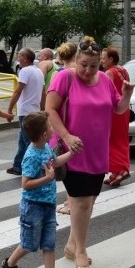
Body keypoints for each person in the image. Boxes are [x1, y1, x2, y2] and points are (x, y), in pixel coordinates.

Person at [46, 38, 133, 268]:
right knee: (81, 202)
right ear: (75, 61)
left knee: (88, 202)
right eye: (84, 64)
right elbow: (50, 108)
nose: (88, 70)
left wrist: (126, 95)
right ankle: (81, 250)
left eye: (94, 65)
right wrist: (67, 135)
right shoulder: (65, 77)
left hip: (97, 149)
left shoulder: (105, 79)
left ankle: (72, 245)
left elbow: (118, 108)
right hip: (71, 150)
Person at [1, 111, 76, 268]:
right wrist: (47, 178)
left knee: (49, 244)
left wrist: (71, 153)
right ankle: (9, 264)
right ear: (44, 134)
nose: (52, 129)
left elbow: (55, 161)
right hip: (33, 206)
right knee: (29, 244)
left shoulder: (46, 148)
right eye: (50, 126)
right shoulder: (31, 155)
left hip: (48, 204)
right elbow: (25, 184)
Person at [6, 48, 45, 176]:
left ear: (26, 58)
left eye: (20, 55)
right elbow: (43, 93)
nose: (18, 57)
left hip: (25, 111)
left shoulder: (24, 71)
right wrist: (43, 109)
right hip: (34, 109)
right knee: (23, 140)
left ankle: (37, 167)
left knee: (29, 141)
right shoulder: (38, 71)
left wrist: (10, 108)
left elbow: (18, 91)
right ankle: (18, 166)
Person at [53, 41, 79, 216]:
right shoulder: (81, 72)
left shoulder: (61, 74)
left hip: (62, 123)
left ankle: (71, 202)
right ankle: (73, 199)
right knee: (74, 163)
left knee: (64, 163)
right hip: (77, 121)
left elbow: (52, 103)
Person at [101, 46, 132, 186]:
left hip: (114, 110)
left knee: (112, 140)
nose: (101, 60)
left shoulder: (109, 73)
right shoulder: (123, 70)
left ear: (111, 59)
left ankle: (120, 170)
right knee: (121, 139)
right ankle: (117, 171)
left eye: (103, 58)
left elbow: (104, 93)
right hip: (123, 108)